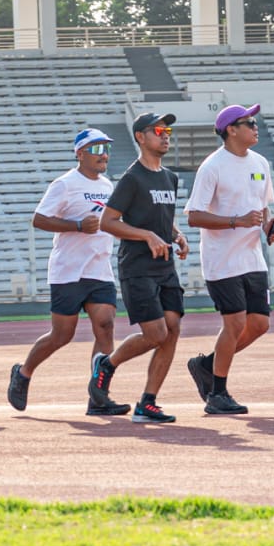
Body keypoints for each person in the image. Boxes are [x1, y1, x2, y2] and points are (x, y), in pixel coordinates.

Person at [7, 129, 124, 416]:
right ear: (80, 153)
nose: (103, 155)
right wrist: (77, 226)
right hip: (68, 271)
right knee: (62, 335)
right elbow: (39, 219)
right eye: (96, 149)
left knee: (106, 325)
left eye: (106, 149)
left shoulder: (108, 186)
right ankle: (23, 372)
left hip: (100, 269)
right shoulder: (65, 184)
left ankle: (99, 397)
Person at [183, 103, 274, 416]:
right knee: (236, 322)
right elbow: (194, 216)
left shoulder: (260, 162)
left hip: (253, 257)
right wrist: (235, 222)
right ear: (231, 130)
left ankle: (207, 366)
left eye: (254, 121)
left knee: (260, 324)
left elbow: (263, 207)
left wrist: (270, 226)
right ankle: (218, 393)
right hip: (222, 260)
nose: (255, 126)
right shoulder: (212, 166)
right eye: (249, 122)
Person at [93, 112, 189, 425]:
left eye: (167, 130)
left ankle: (148, 402)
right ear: (140, 137)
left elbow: (161, 216)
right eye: (158, 130)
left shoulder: (170, 178)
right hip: (137, 267)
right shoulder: (132, 179)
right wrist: (147, 236)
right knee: (156, 333)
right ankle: (107, 364)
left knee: (172, 329)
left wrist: (176, 234)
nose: (165, 135)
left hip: (165, 266)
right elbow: (108, 222)